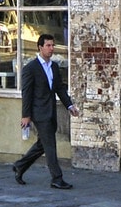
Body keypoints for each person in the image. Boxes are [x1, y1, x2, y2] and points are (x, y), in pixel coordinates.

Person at [12, 34, 76, 189]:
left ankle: (20, 165)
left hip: (51, 111)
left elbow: (59, 88)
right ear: (40, 47)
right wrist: (26, 116)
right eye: (48, 45)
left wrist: (69, 105)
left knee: (43, 144)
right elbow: (26, 93)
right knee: (50, 145)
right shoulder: (31, 68)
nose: (51, 49)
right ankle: (57, 178)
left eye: (53, 45)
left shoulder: (54, 67)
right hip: (39, 113)